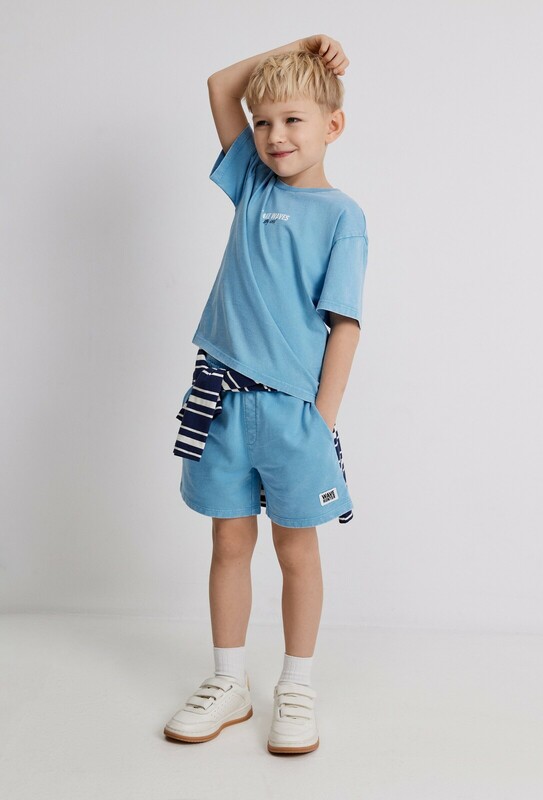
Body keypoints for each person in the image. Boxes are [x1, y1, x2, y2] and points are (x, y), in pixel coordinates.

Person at [163, 34, 368, 755]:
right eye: (264, 123)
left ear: (332, 125)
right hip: (220, 400)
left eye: (293, 119)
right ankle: (229, 682)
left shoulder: (342, 216)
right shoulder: (253, 184)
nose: (276, 135)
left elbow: (345, 324)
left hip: (293, 413)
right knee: (228, 541)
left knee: (296, 548)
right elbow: (222, 84)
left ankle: (297, 686)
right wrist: (299, 47)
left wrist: (322, 420)